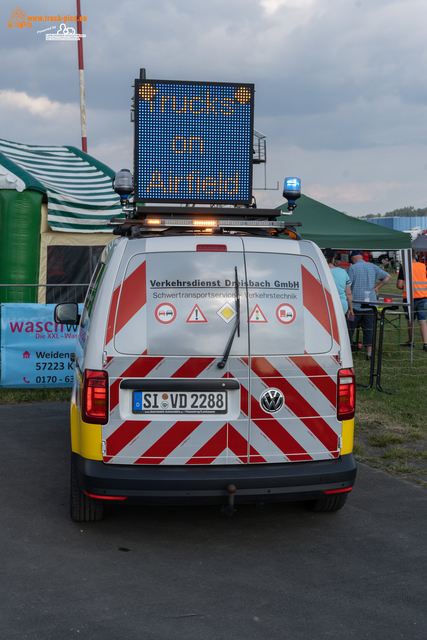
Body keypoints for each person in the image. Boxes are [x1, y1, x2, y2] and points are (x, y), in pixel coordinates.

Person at [347, 250, 391, 360]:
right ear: (361, 257)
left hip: (355, 306)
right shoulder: (373, 266)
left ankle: (348, 353)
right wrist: (377, 287)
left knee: (350, 329)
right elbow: (388, 277)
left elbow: (348, 285)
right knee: (369, 330)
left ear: (353, 259)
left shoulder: (352, 268)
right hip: (371, 306)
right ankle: (369, 355)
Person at [396, 249, 427, 350]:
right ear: (416, 255)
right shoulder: (423, 266)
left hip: (409, 298)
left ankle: (411, 341)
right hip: (423, 297)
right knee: (422, 320)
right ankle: (425, 343)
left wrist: (408, 287)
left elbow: (399, 285)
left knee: (411, 320)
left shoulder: (405, 267)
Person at [324, 248, 353, 317]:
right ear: (333, 259)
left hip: (325, 305)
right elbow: (348, 293)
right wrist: (350, 308)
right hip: (341, 306)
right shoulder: (343, 272)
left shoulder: (318, 271)